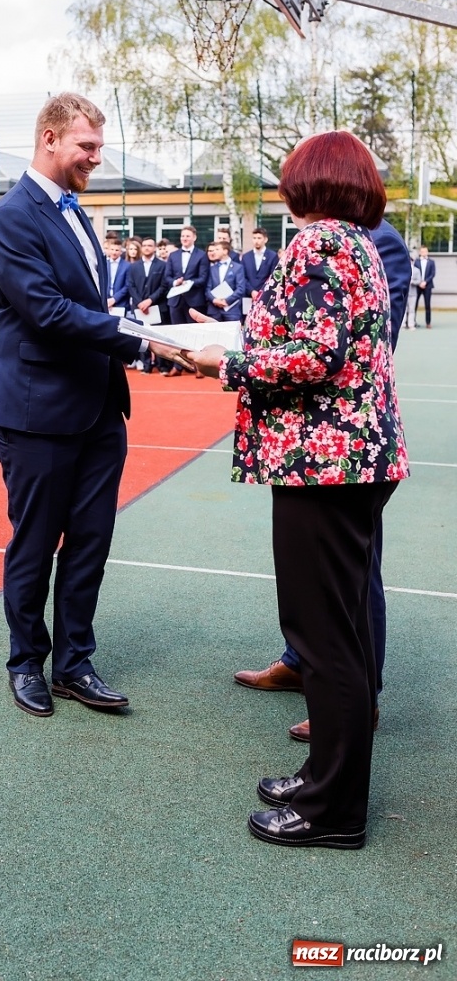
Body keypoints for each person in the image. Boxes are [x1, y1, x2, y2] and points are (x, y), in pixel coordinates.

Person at [186, 130, 409, 849]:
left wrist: (227, 360)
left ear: (307, 183)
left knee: (326, 640)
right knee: (339, 632)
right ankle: (324, 782)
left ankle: (331, 810)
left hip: (325, 461)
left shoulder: (317, 244)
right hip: (355, 457)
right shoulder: (361, 244)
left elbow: (313, 353)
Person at [0, 93, 187, 718]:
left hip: (97, 410)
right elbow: (46, 311)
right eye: (86, 147)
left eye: (99, 147)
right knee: (36, 543)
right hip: (36, 411)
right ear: (49, 139)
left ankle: (74, 663)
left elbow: (87, 304)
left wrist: (133, 327)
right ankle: (25, 663)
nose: (97, 158)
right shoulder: (11, 216)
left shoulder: (76, 212)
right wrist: (142, 337)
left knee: (91, 539)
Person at [233, 217, 412, 741]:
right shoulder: (334, 239)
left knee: (349, 584)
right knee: (319, 592)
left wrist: (232, 363)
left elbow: (341, 352)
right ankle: (310, 672)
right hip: (321, 447)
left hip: (338, 449)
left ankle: (355, 700)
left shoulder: (352, 241)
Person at [127, 236, 171, 373]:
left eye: (150, 245)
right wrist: (140, 302)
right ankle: (146, 365)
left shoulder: (163, 265)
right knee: (142, 336)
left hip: (157, 306)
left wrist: (150, 300)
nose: (146, 247)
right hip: (139, 307)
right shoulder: (134, 267)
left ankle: (162, 365)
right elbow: (131, 286)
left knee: (159, 337)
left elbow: (164, 286)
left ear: (154, 248)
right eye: (144, 245)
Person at [164, 225, 209, 323]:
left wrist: (188, 283)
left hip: (194, 300)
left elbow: (203, 278)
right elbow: (167, 277)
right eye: (182, 236)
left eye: (188, 236)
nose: (184, 238)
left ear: (194, 237)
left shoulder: (202, 255)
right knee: (176, 332)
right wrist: (175, 282)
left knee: (194, 332)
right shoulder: (173, 255)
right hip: (175, 300)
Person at [204, 240, 245, 321]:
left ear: (225, 251)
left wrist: (226, 301)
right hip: (214, 310)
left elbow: (240, 289)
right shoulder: (212, 268)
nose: (214, 252)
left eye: (217, 250)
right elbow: (208, 288)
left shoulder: (238, 267)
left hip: (231, 310)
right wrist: (214, 300)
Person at [241, 227, 279, 302]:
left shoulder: (272, 256)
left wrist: (262, 291)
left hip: (265, 295)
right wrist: (252, 291)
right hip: (248, 296)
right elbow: (243, 277)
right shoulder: (246, 257)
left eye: (259, 238)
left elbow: (273, 276)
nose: (256, 241)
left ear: (265, 239)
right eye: (254, 238)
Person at [105, 238, 130, 311]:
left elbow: (127, 285)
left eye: (117, 250)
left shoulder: (127, 265)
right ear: (108, 250)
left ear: (121, 252)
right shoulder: (103, 265)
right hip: (105, 302)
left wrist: (114, 299)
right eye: (112, 249)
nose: (114, 252)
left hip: (121, 303)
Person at [414, 244, 436, 328]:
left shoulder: (431, 262)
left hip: (427, 286)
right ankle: (413, 321)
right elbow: (414, 273)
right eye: (422, 251)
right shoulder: (416, 262)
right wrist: (419, 282)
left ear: (427, 252)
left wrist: (425, 282)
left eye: (425, 251)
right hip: (417, 286)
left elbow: (432, 274)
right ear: (420, 252)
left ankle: (428, 322)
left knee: (427, 305)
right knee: (414, 304)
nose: (424, 253)